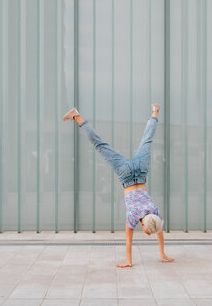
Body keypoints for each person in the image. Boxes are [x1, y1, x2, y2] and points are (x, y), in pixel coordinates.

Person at [62, 103, 174, 268]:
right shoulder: (134, 216)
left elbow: (158, 231)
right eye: (149, 232)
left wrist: (162, 252)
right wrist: (129, 261)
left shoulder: (155, 212)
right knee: (100, 146)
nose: (150, 235)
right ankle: (77, 117)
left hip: (141, 172)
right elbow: (129, 240)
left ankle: (155, 112)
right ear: (143, 224)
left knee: (147, 140)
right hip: (126, 175)